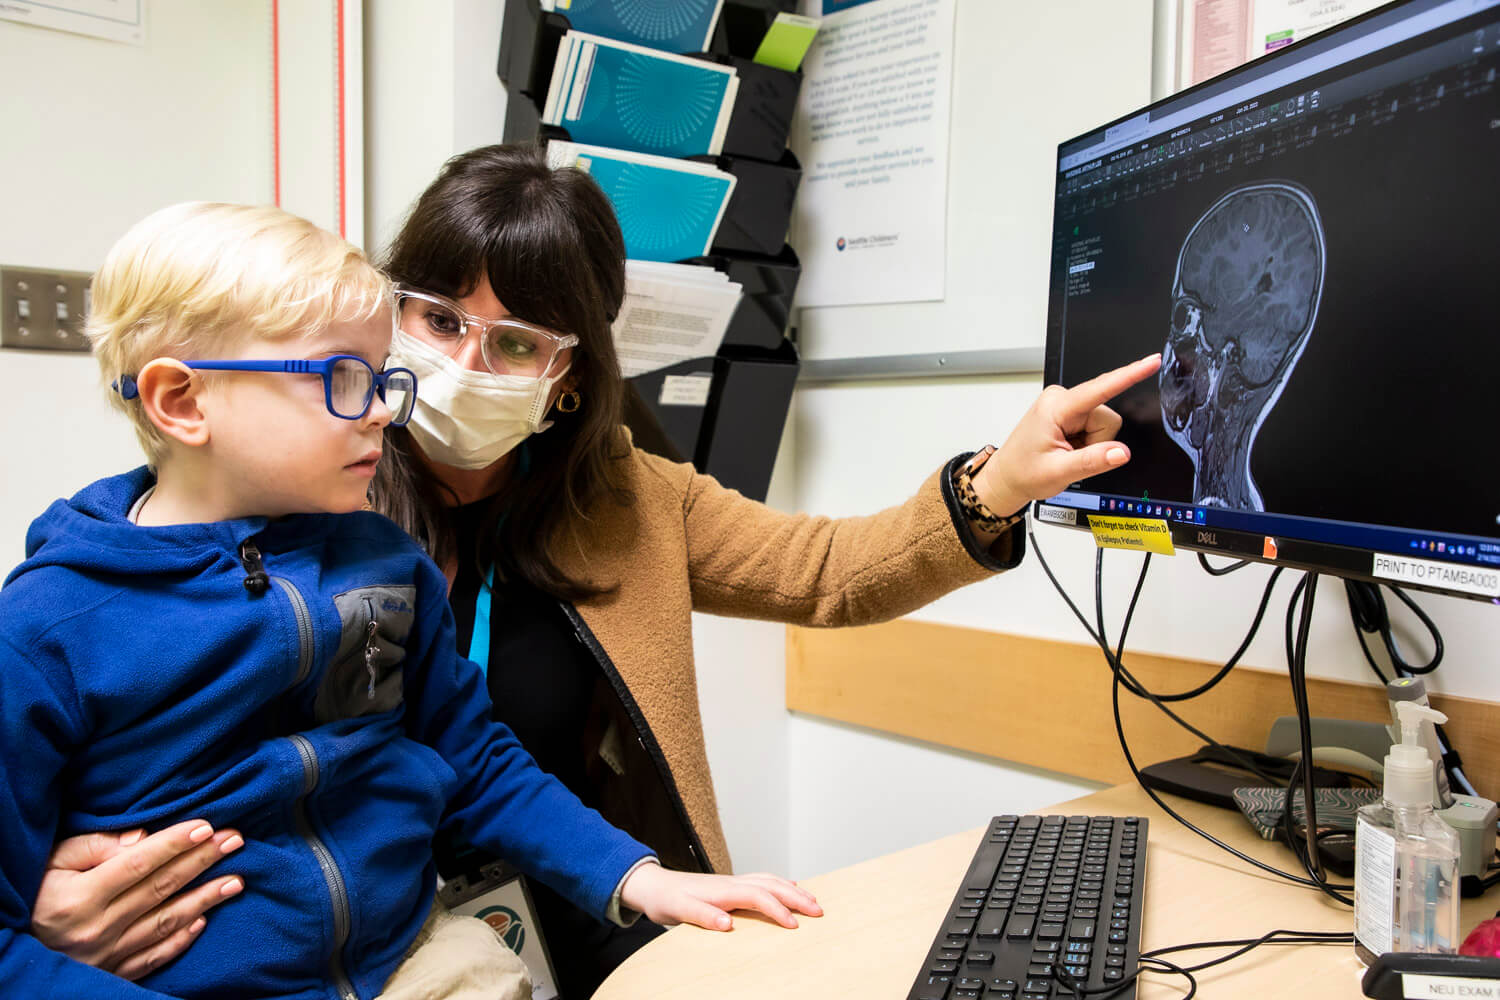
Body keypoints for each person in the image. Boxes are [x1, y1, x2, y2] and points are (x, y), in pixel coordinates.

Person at [32, 145, 1161, 997]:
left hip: (558, 906)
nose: (464, 366)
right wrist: (40, 916)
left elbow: (829, 571)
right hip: (288, 931)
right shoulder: (283, 502)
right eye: (436, 320)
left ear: (569, 375)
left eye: (518, 341)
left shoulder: (628, 496)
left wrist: (994, 484)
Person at [0, 201, 819, 1000]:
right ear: (182, 402)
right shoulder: (50, 631)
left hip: (413, 958)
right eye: (343, 378)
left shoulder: (383, 566)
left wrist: (639, 876)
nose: (387, 409)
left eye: (381, 375)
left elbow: (474, 756)